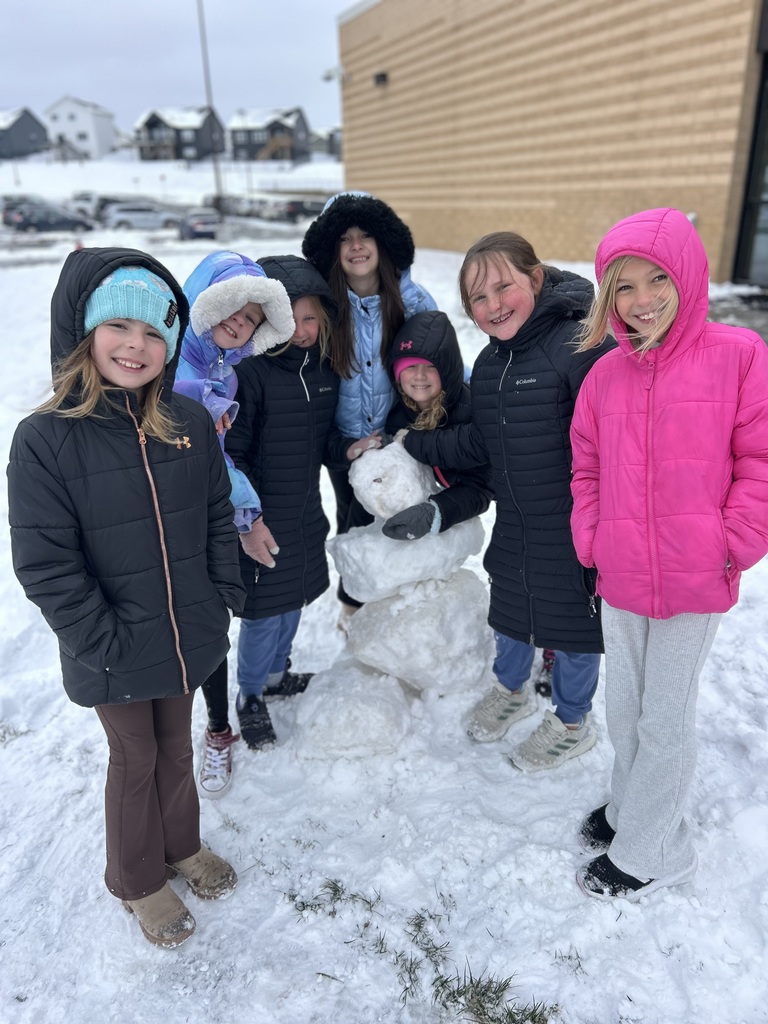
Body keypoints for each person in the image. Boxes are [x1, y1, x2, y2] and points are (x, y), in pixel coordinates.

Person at [7, 248, 247, 948]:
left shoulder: (187, 423)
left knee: (176, 748)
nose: (136, 346)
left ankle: (182, 846)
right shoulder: (46, 439)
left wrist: (221, 593)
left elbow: (213, 515)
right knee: (135, 758)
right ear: (85, 333)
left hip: (187, 631)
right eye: (119, 327)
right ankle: (137, 879)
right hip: (111, 645)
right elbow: (45, 563)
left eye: (153, 334)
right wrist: (101, 639)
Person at [570, 207, 768, 899]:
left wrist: (732, 542)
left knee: (666, 717)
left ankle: (655, 851)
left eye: (657, 278)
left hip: (696, 574)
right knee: (624, 707)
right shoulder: (604, 379)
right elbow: (586, 469)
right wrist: (592, 538)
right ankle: (630, 811)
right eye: (622, 286)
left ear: (687, 275)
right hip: (621, 573)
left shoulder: (739, 355)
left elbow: (761, 461)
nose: (642, 299)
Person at [402, 232, 614, 771]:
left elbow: (619, 433)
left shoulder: (579, 345)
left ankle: (572, 722)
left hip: (575, 525)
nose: (493, 305)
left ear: (536, 280)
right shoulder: (492, 366)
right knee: (512, 611)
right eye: (478, 297)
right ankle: (512, 690)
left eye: (503, 287)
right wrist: (417, 442)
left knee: (573, 627)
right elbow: (481, 442)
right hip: (517, 523)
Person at [172, 251, 295, 797]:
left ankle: (218, 727)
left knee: (209, 624)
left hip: (205, 515)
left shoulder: (223, 373)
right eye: (229, 308)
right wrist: (247, 512)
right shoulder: (177, 369)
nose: (238, 321)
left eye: (250, 317)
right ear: (203, 302)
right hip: (171, 518)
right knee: (185, 633)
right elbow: (202, 455)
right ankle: (213, 730)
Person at [223, 255, 342, 757]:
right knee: (262, 614)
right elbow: (233, 454)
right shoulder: (252, 375)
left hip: (304, 514)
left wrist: (352, 450)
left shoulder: (323, 373)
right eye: (290, 319)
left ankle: (276, 676)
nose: (301, 330)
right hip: (260, 518)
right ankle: (250, 695)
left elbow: (325, 442)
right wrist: (248, 520)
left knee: (292, 601)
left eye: (311, 318)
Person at [302, 192, 438, 625]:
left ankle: (399, 602)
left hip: (399, 437)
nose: (356, 246)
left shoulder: (412, 302)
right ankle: (354, 603)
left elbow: (440, 362)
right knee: (353, 520)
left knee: (398, 516)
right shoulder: (322, 307)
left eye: (365, 236)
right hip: (344, 441)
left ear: (384, 244)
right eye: (344, 238)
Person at [378, 309, 492, 544]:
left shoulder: (470, 412)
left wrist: (436, 512)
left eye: (431, 367)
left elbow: (481, 487)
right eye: (410, 366)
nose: (419, 376)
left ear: (447, 371)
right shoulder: (399, 416)